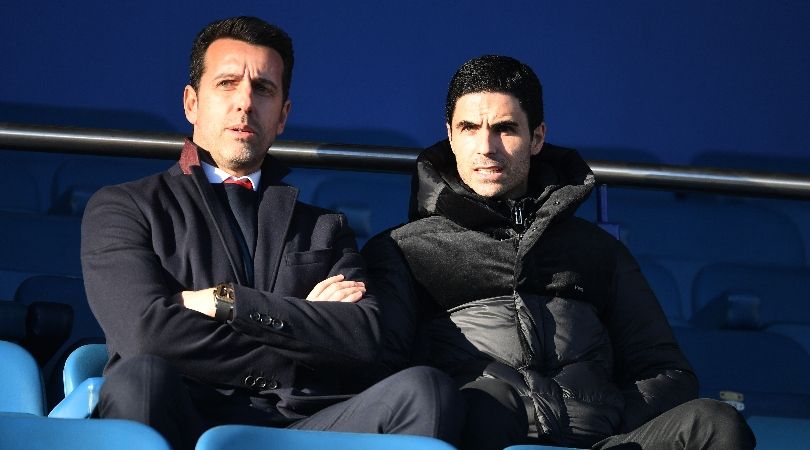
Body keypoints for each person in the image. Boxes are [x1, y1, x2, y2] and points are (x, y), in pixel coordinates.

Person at [81, 16, 462, 450]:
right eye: (227, 83)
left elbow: (364, 338)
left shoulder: (324, 227)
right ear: (191, 103)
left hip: (303, 427)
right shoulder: (125, 207)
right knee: (139, 375)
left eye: (263, 89)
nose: (245, 102)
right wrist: (302, 330)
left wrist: (226, 302)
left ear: (282, 115)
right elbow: (146, 335)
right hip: (182, 418)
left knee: (424, 392)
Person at [362, 55, 755, 449]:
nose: (486, 147)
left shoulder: (598, 251)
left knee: (717, 423)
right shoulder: (404, 249)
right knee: (484, 403)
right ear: (450, 135)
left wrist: (611, 419)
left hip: (601, 442)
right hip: (486, 439)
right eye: (469, 128)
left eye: (505, 129)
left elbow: (668, 373)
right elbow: (389, 383)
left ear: (537, 138)